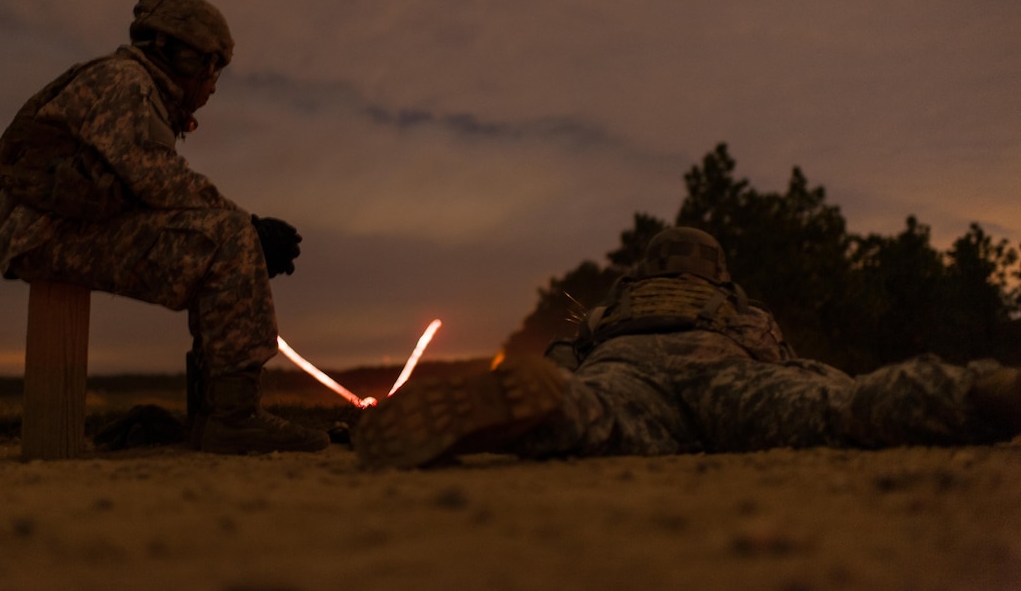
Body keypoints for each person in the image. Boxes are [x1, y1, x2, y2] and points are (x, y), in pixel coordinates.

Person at [0, 0, 329, 455]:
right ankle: (233, 417)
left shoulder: (127, 83)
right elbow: (156, 178)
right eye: (212, 67)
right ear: (186, 59)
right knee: (228, 240)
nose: (213, 85)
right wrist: (249, 224)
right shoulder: (126, 82)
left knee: (223, 234)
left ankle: (216, 414)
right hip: (44, 231)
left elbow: (141, 184)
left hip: (48, 225)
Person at [354, 227, 1021, 468]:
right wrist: (820, 380)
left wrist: (563, 379)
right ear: (716, 272)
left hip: (622, 369)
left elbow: (563, 358)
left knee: (593, 414)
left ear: (644, 270)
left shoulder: (612, 309)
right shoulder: (736, 307)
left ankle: (548, 417)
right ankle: (975, 393)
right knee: (837, 409)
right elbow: (775, 360)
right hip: (718, 371)